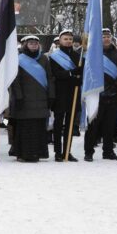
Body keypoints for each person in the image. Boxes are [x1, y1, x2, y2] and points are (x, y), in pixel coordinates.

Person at [8, 34, 53, 162]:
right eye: (31, 43)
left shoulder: (44, 59)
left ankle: (37, 153)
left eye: (35, 43)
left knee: (39, 128)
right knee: (25, 129)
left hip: (41, 99)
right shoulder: (19, 59)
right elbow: (15, 80)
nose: (34, 45)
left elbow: (49, 78)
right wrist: (19, 97)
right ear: (25, 45)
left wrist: (51, 95)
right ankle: (23, 153)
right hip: (24, 100)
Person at [84, 28, 117, 161]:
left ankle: (108, 151)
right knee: (93, 125)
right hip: (97, 94)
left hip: (114, 93)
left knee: (110, 125)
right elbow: (88, 73)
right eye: (103, 37)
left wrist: (116, 86)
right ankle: (88, 152)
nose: (106, 39)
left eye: (108, 36)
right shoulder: (92, 54)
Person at [48, 28, 81, 161]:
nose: (68, 41)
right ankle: (57, 152)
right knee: (58, 124)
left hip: (73, 93)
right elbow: (55, 73)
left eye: (70, 39)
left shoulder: (78, 56)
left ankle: (67, 151)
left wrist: (80, 77)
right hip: (60, 94)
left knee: (70, 124)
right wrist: (71, 73)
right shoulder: (54, 57)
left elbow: (82, 72)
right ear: (60, 41)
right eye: (65, 39)